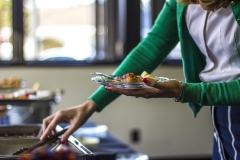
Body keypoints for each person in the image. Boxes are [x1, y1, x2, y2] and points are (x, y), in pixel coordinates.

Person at [40, 0, 240, 159]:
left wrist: (183, 91)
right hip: (219, 109)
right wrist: (90, 105)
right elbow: (151, 47)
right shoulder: (181, 2)